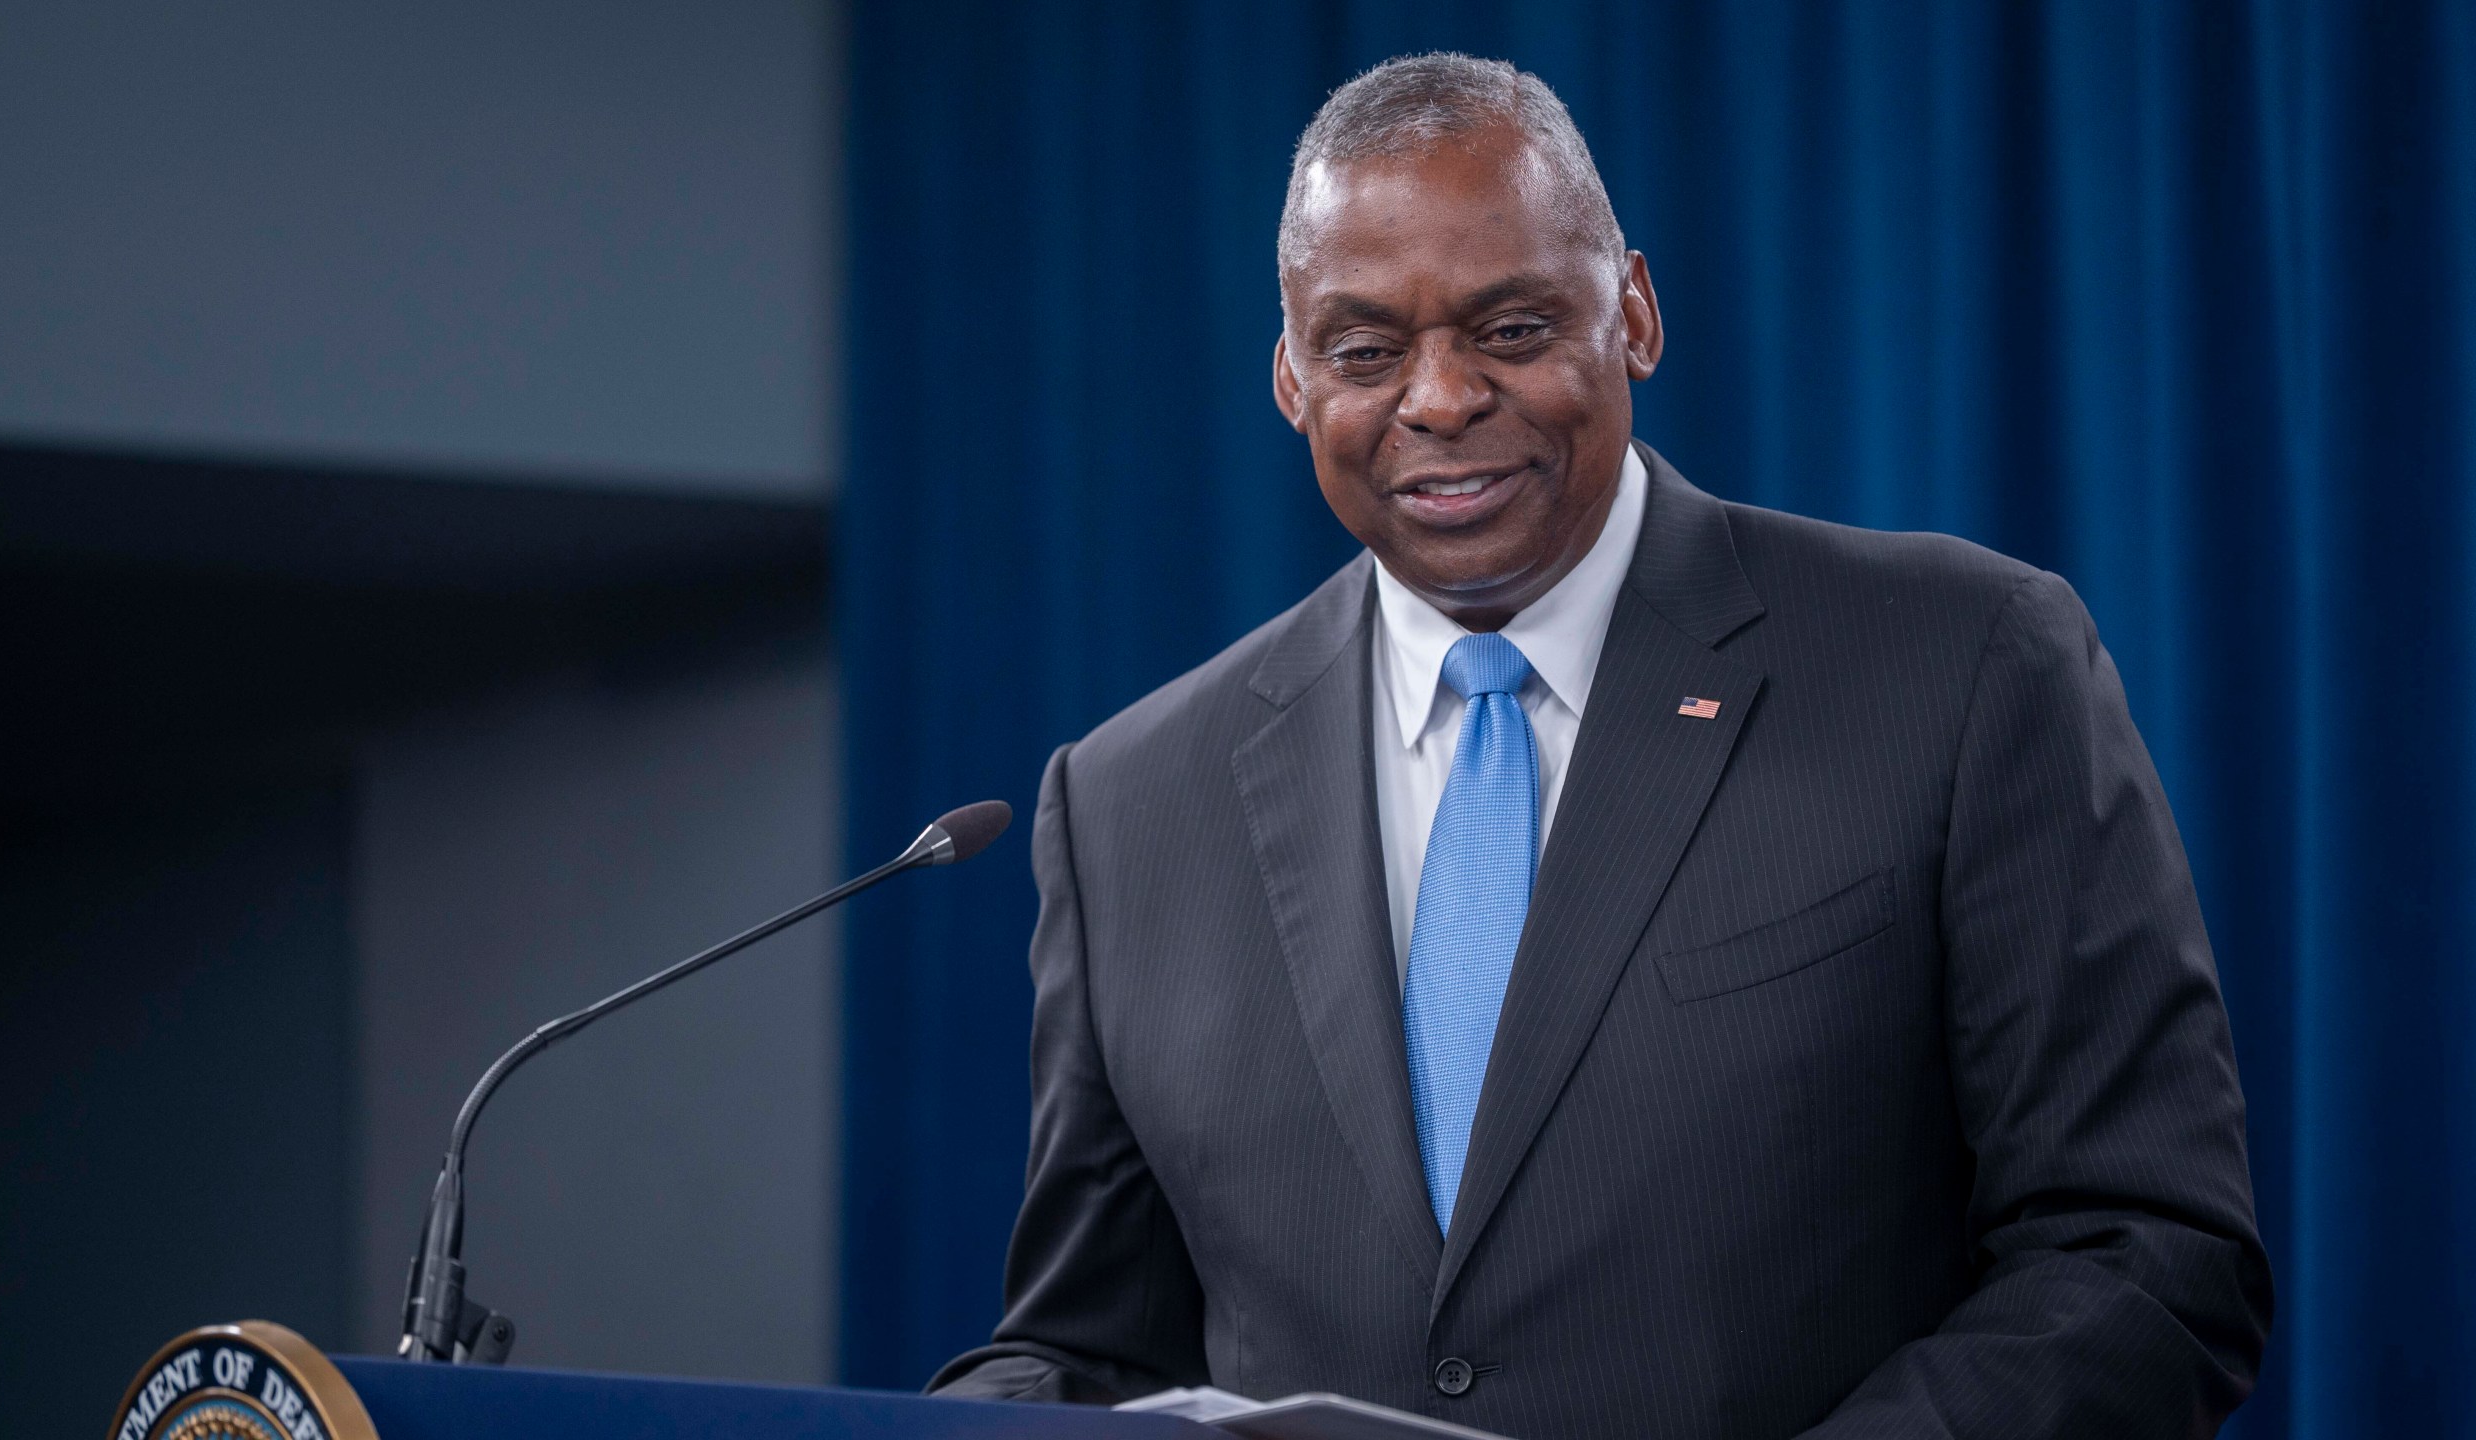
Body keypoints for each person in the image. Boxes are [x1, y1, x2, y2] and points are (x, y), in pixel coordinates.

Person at [932, 53, 2269, 1438]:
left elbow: (2143, 1258)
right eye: (1364, 351)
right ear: (1289, 379)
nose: (1437, 399)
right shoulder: (1131, 801)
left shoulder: (1963, 664)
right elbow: (1086, 1350)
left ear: (1631, 312)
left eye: (1508, 329)